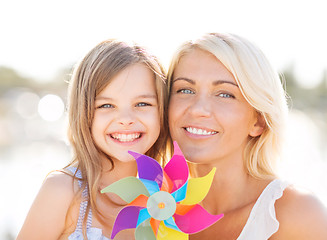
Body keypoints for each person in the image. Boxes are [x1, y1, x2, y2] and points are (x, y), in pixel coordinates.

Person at [167, 33, 327, 239]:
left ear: (258, 121)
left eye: (225, 94)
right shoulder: (155, 209)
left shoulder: (296, 214)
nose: (198, 109)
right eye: (185, 90)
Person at [17, 39, 168, 240]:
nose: (125, 120)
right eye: (106, 105)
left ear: (162, 111)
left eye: (142, 103)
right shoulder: (62, 191)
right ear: (83, 111)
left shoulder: (168, 200)